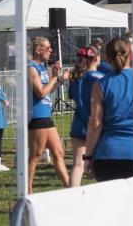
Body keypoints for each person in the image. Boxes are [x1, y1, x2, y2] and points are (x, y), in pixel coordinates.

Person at [83, 38, 133, 181]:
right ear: (132, 56)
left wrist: (88, 156)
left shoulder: (101, 84)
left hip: (108, 153)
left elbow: (95, 123)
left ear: (107, 57)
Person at [27, 36, 69, 192]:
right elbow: (40, 92)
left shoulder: (42, 67)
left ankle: (70, 187)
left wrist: (59, 80)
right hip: (37, 116)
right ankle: (27, 189)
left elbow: (47, 90)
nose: (51, 50)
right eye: (48, 47)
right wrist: (53, 77)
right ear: (38, 49)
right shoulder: (31, 68)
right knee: (36, 155)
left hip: (46, 115)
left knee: (58, 152)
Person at [68, 46, 105, 187]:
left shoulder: (75, 78)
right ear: (96, 58)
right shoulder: (101, 78)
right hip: (97, 125)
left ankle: (72, 195)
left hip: (78, 125)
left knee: (78, 165)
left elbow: (71, 95)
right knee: (101, 165)